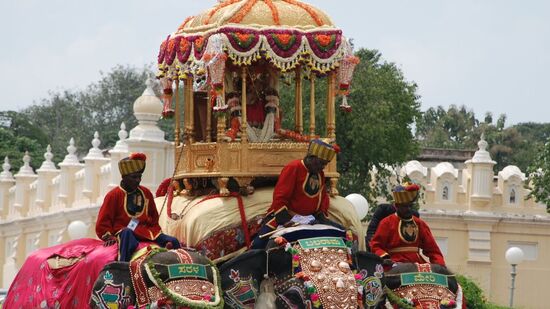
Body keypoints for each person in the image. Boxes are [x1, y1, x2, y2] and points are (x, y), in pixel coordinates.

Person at [251, 139, 340, 248]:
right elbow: (279, 198)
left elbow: (322, 199)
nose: (322, 167)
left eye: (325, 164)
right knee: (258, 245)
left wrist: (320, 216)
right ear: (312, 157)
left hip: (310, 221)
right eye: (321, 163)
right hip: (286, 218)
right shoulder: (293, 167)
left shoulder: (320, 174)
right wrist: (286, 220)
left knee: (342, 233)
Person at [96, 152, 181, 262]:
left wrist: (156, 232)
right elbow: (103, 222)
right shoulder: (113, 195)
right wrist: (108, 236)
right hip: (125, 233)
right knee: (126, 233)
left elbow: (154, 217)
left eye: (139, 177)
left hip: (146, 232)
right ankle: (123, 266)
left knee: (173, 241)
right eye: (134, 177)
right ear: (124, 177)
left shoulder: (146, 192)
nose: (138, 180)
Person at [369, 182, 446, 268]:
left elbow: (433, 250)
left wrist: (440, 266)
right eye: (405, 206)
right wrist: (385, 258)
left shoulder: (420, 224)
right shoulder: (386, 223)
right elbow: (376, 246)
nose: (409, 209)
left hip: (417, 265)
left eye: (410, 206)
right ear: (397, 206)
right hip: (393, 265)